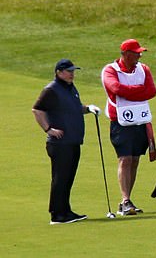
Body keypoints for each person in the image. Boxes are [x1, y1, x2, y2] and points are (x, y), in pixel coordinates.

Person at [33, 59, 101, 224]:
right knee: (60, 178)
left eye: (73, 71)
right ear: (59, 72)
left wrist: (87, 109)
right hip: (59, 143)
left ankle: (65, 211)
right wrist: (48, 129)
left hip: (73, 141)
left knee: (68, 178)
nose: (72, 74)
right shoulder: (51, 90)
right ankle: (57, 214)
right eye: (69, 71)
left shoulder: (70, 88)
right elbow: (37, 109)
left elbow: (74, 107)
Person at [101, 39, 156, 215]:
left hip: (140, 120)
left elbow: (151, 91)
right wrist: (138, 91)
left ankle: (127, 201)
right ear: (125, 54)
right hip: (120, 121)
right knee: (125, 159)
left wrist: (131, 92)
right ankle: (125, 200)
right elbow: (116, 89)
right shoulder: (110, 70)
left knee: (134, 160)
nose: (139, 55)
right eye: (136, 52)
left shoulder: (143, 69)